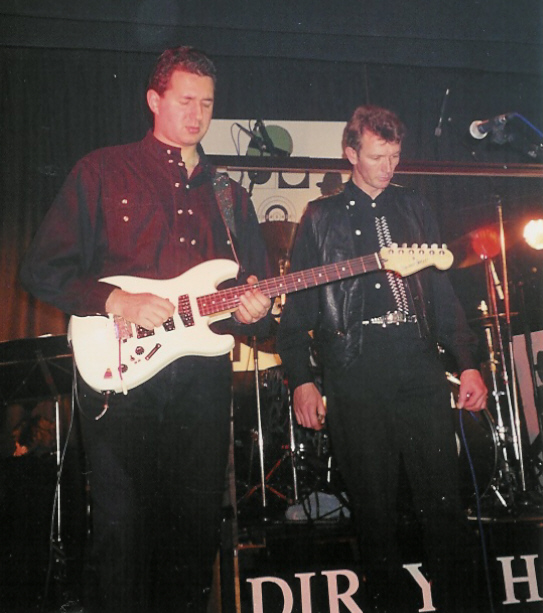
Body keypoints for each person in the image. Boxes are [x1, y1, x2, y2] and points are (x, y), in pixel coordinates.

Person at [20, 46, 271, 613]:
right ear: (154, 100)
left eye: (207, 103)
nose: (197, 114)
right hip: (122, 381)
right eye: (185, 100)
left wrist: (254, 310)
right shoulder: (102, 171)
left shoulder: (229, 195)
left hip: (203, 386)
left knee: (194, 533)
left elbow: (248, 290)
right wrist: (117, 299)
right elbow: (41, 270)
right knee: (123, 533)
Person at [276, 105, 488, 612]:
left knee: (443, 503)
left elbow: (441, 294)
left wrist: (467, 361)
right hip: (355, 370)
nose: (388, 167)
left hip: (417, 362)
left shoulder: (414, 206)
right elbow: (296, 310)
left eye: (395, 157)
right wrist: (302, 378)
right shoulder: (320, 217)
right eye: (377, 157)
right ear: (351, 154)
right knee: (374, 513)